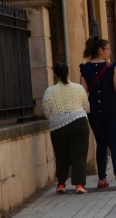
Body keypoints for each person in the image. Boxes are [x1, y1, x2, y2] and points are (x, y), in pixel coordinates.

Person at [80, 37, 116, 190]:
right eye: (108, 49)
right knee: (114, 142)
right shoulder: (110, 67)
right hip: (112, 109)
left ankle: (102, 178)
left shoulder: (85, 68)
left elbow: (83, 93)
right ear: (100, 50)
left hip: (94, 112)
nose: (110, 52)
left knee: (101, 143)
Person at [43, 63, 90, 194]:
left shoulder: (49, 91)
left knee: (61, 155)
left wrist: (57, 117)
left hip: (58, 127)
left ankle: (61, 184)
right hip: (79, 122)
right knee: (79, 154)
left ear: (55, 75)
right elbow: (87, 106)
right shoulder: (79, 88)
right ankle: (79, 185)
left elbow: (46, 111)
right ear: (68, 73)